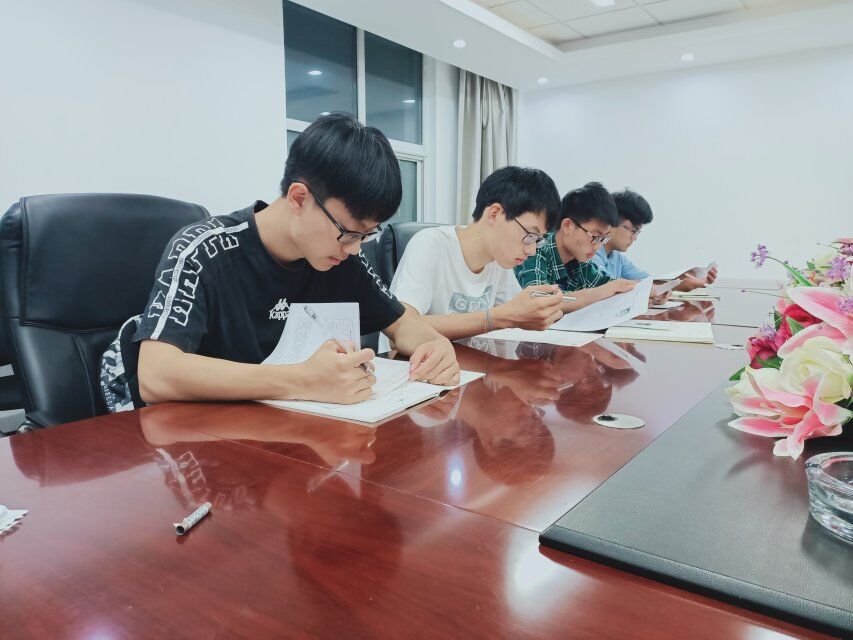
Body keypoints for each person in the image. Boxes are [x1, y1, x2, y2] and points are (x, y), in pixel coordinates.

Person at [100, 114, 459, 413]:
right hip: (202, 443)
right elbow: (156, 375)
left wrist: (435, 344)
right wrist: (303, 380)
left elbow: (402, 324)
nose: (354, 249)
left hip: (291, 437)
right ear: (299, 198)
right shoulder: (204, 250)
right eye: (349, 233)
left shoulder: (342, 258)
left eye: (367, 235)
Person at [380, 166, 565, 347]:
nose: (531, 250)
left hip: (468, 362)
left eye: (538, 240)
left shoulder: (499, 259)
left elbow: (515, 314)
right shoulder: (430, 245)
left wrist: (534, 312)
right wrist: (496, 318)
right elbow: (403, 328)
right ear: (494, 214)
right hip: (413, 364)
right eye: (530, 235)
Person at [514, 182, 635, 312]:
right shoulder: (535, 249)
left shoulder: (581, 263)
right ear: (567, 226)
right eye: (595, 237)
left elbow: (612, 286)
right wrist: (599, 292)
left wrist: (639, 290)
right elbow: (539, 301)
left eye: (603, 239)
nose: (598, 246)